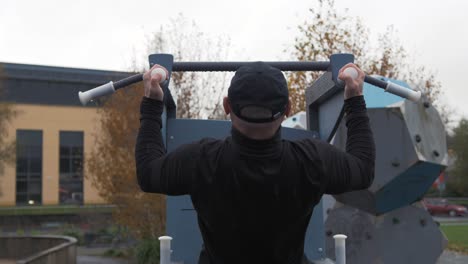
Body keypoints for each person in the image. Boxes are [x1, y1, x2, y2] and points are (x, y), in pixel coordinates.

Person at [135, 62, 375, 264]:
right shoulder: (313, 160)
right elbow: (363, 170)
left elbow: (148, 173)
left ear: (227, 106)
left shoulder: (200, 160)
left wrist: (152, 104)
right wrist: (354, 99)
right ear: (287, 109)